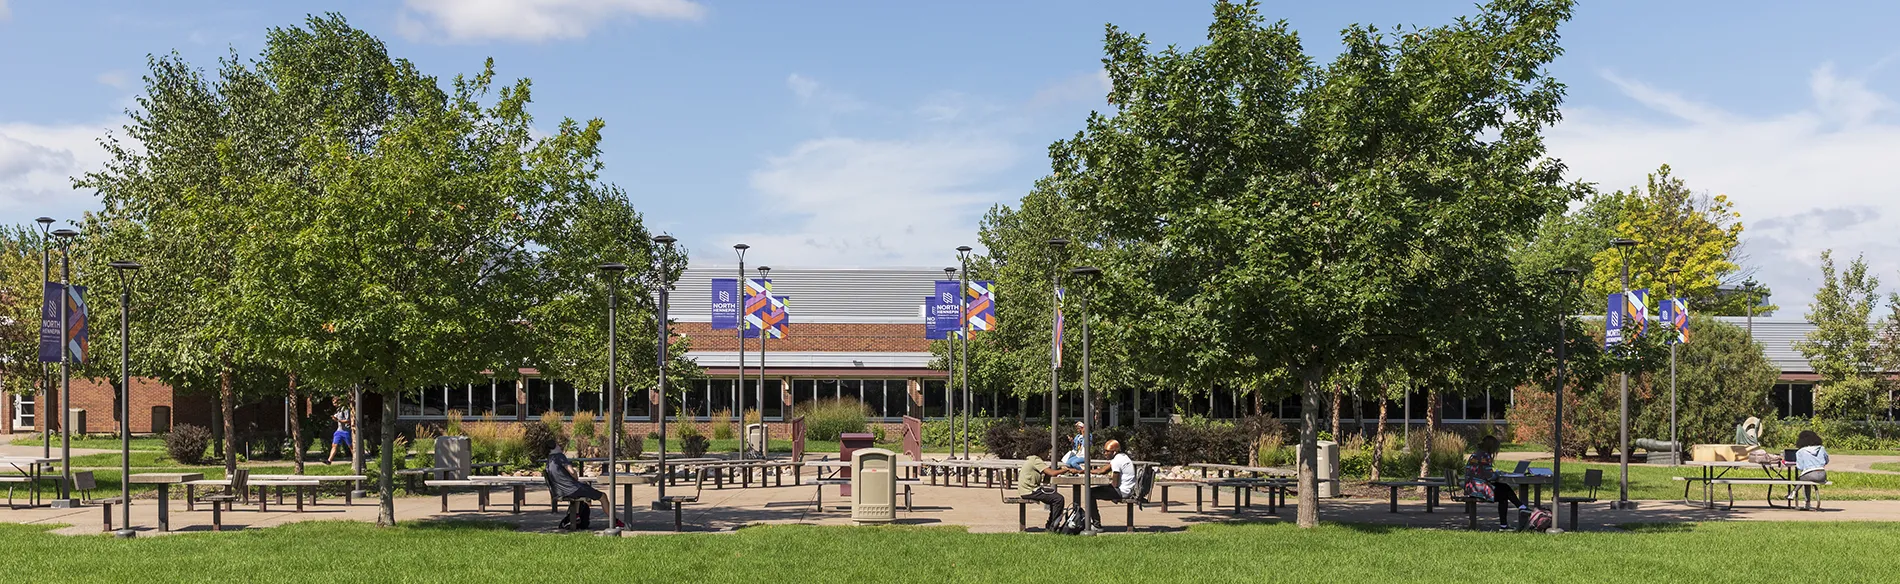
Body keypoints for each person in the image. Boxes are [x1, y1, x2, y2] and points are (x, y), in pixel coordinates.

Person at [1466, 435, 1527, 530]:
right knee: (1504, 493)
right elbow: (1489, 477)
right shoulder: (1485, 456)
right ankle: (1521, 508)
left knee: (1504, 489)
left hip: (1471, 487)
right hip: (1478, 489)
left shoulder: (1475, 454)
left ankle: (1519, 509)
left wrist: (1495, 474)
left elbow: (1483, 473)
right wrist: (1498, 474)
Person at [546, 441, 610, 528]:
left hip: (560, 492)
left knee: (583, 487)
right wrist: (575, 477)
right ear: (555, 447)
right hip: (572, 490)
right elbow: (572, 472)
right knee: (603, 496)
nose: (560, 446)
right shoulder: (560, 456)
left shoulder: (550, 460)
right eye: (558, 445)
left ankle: (576, 515)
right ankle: (614, 521)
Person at [1082, 439, 1138, 533]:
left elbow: (1114, 485)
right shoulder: (1122, 457)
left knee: (1090, 493)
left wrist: (1108, 490)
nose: (1105, 453)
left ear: (1114, 452)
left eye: (1107, 451)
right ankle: (1094, 522)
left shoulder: (1117, 461)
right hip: (1127, 489)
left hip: (1122, 491)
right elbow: (1103, 470)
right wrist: (1084, 471)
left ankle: (1097, 525)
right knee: (1094, 491)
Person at [1015, 455, 1069, 531]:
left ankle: (1051, 524)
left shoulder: (1032, 459)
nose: (1048, 454)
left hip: (1027, 490)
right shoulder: (1036, 460)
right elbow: (1052, 473)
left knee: (1054, 495)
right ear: (1042, 451)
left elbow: (1045, 481)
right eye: (1047, 451)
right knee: (1058, 499)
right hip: (1030, 491)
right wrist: (1064, 470)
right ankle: (1053, 526)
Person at [1790, 430, 1829, 500]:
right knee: (1806, 482)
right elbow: (1826, 460)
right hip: (1822, 474)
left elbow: (1800, 467)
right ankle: (1804, 501)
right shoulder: (1821, 448)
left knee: (1802, 479)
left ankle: (1794, 492)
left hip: (1809, 474)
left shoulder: (1801, 451)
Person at [324, 397, 351, 465]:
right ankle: (329, 460)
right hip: (339, 431)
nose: (334, 404)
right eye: (333, 403)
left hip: (346, 431)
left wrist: (338, 420)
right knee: (334, 445)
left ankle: (356, 459)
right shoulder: (338, 410)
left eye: (335, 402)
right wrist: (333, 417)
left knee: (351, 446)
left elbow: (348, 421)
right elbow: (336, 417)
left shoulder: (345, 409)